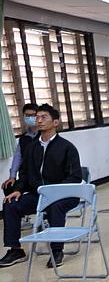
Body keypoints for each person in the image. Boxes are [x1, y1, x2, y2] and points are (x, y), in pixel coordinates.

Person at [0, 104, 82, 269]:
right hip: (39, 195)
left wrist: (53, 190)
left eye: (44, 117)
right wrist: (18, 190)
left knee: (55, 207)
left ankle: (57, 250)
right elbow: (24, 174)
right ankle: (15, 250)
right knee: (10, 204)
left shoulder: (67, 147)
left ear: (55, 122)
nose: (39, 120)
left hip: (64, 195)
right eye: (37, 117)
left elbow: (75, 176)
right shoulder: (31, 148)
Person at [2, 103, 39, 196]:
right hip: (26, 176)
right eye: (27, 115)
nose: (30, 118)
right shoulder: (24, 138)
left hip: (40, 176)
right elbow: (18, 157)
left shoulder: (45, 136)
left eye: (33, 115)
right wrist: (12, 176)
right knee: (8, 187)